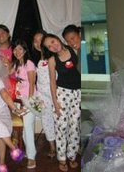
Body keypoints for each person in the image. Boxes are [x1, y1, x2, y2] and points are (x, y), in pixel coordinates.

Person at [42, 34, 81, 172]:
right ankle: (62, 158)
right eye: (49, 46)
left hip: (78, 93)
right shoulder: (52, 60)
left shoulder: (73, 50)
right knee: (61, 127)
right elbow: (52, 82)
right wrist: (55, 102)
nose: (53, 46)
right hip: (62, 94)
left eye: (53, 41)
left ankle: (72, 156)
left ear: (57, 39)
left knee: (74, 126)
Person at [9, 41, 37, 169]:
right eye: (15, 49)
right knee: (26, 128)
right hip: (20, 99)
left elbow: (32, 84)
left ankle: (31, 158)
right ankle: (30, 152)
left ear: (25, 50)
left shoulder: (29, 63)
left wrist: (29, 103)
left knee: (28, 128)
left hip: (30, 99)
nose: (17, 52)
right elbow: (7, 73)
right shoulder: (17, 64)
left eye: (20, 49)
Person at [34, 37, 56, 159]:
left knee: (59, 120)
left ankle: (64, 145)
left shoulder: (53, 56)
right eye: (35, 41)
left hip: (55, 94)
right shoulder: (35, 58)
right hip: (42, 96)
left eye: (40, 40)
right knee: (46, 120)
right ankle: (52, 147)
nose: (38, 43)